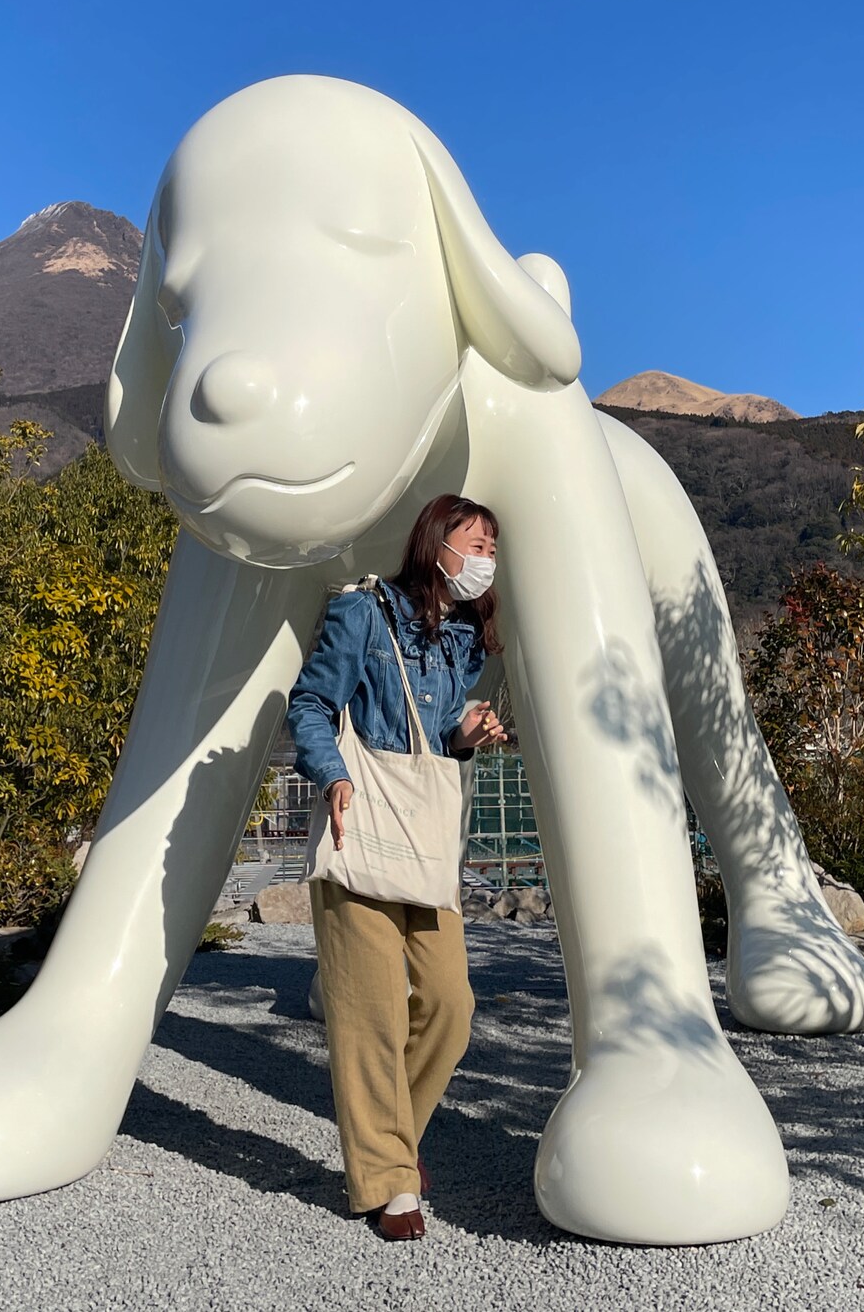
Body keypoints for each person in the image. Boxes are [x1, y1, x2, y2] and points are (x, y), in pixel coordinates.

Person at [286, 494, 507, 1240]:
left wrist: (467, 734)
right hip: (360, 828)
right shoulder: (363, 612)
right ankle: (388, 1179)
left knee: (450, 1004)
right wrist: (331, 774)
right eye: (474, 544)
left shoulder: (464, 638)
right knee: (370, 1012)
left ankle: (391, 1145)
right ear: (435, 543)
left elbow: (436, 734)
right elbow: (310, 703)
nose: (485, 561)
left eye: (492, 550)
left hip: (423, 839)